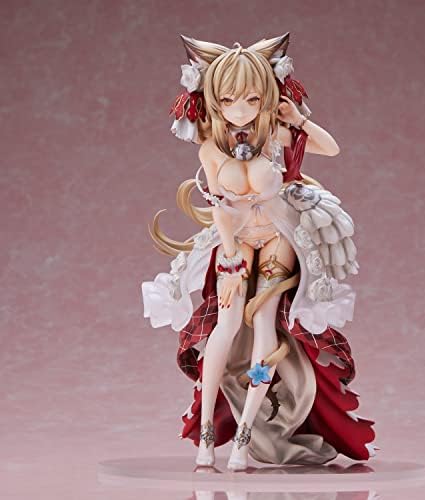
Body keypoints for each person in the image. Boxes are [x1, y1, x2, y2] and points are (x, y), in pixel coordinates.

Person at [142, 32, 379, 471]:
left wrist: (299, 119)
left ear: (266, 96)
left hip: (276, 235)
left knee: (266, 323)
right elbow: (219, 208)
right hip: (233, 237)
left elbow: (331, 148)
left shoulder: (276, 133)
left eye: (252, 99)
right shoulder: (210, 145)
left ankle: (245, 436)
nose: (241, 109)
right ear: (214, 99)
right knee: (227, 324)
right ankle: (207, 435)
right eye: (229, 99)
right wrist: (231, 256)